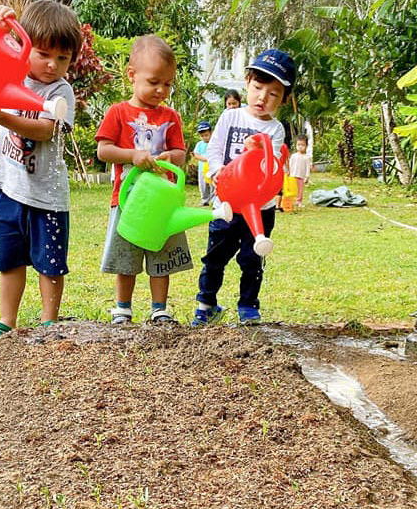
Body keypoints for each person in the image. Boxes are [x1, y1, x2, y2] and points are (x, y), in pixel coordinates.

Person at [0, 1, 81, 342]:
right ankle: (6, 321)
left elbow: (45, 130)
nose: (53, 65)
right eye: (43, 54)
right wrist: (0, 22)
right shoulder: (12, 73)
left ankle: (49, 322)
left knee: (49, 263)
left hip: (47, 197)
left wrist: (1, 117)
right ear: (26, 49)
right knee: (9, 261)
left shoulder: (60, 91)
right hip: (8, 187)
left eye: (63, 58)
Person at [192, 49, 296, 326]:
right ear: (247, 83)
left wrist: (259, 150)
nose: (262, 97)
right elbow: (214, 149)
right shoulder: (230, 117)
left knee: (253, 259)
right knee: (214, 257)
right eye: (258, 87)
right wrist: (216, 172)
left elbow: (271, 168)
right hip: (226, 206)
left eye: (272, 93)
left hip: (259, 209)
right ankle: (206, 303)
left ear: (283, 99)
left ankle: (248, 306)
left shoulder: (275, 130)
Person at [96, 34, 191, 324]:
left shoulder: (171, 117)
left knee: (160, 254)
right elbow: (103, 150)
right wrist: (132, 155)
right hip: (127, 200)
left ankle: (159, 308)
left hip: (162, 203)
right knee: (127, 255)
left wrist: (170, 158)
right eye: (154, 82)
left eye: (168, 84)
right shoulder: (119, 112)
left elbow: (181, 153)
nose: (161, 90)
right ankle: (122, 307)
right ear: (132, 75)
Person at [287, 134, 312, 208]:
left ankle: (299, 201)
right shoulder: (294, 156)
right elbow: (290, 164)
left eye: (302, 145)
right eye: (298, 145)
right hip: (293, 175)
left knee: (300, 190)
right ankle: (292, 201)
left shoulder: (306, 157)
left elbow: (307, 167)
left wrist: (307, 176)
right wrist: (289, 172)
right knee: (292, 189)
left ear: (306, 146)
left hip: (301, 176)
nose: (300, 146)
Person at [192, 121, 213, 205]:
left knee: (212, 184)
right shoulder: (199, 144)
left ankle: (213, 200)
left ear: (211, 133)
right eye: (202, 136)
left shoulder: (214, 143)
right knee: (203, 185)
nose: (204, 137)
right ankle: (205, 200)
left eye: (206, 135)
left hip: (212, 168)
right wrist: (205, 159)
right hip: (202, 169)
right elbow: (196, 154)